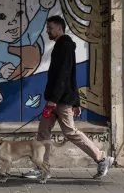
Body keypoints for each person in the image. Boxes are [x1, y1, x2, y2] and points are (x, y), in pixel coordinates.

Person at [23, 15, 114, 179]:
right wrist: (77, 102)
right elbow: (72, 76)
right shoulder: (63, 46)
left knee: (70, 132)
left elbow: (64, 75)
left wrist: (55, 99)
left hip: (59, 101)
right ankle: (42, 167)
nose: (47, 31)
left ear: (59, 28)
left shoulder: (63, 46)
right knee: (43, 131)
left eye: (50, 28)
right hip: (58, 99)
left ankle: (101, 158)